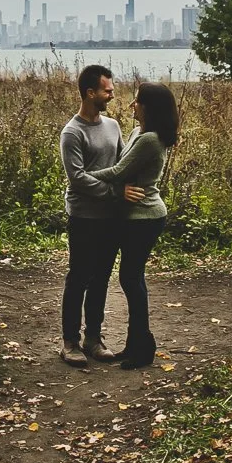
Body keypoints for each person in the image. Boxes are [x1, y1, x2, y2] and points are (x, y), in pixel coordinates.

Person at [90, 81, 176, 370]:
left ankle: (142, 346)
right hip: (134, 216)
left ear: (149, 107)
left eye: (137, 100)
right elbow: (123, 169)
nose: (132, 105)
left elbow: (118, 171)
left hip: (145, 216)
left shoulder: (150, 139)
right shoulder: (138, 132)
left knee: (131, 279)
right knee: (132, 279)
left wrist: (81, 177)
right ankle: (135, 344)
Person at [57, 64, 133, 367]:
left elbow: (123, 163)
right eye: (107, 90)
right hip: (84, 217)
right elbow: (77, 178)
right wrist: (115, 193)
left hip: (110, 217)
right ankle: (70, 342)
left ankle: (93, 338)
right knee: (79, 277)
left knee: (101, 277)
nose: (112, 95)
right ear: (90, 93)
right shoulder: (72, 132)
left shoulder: (112, 126)